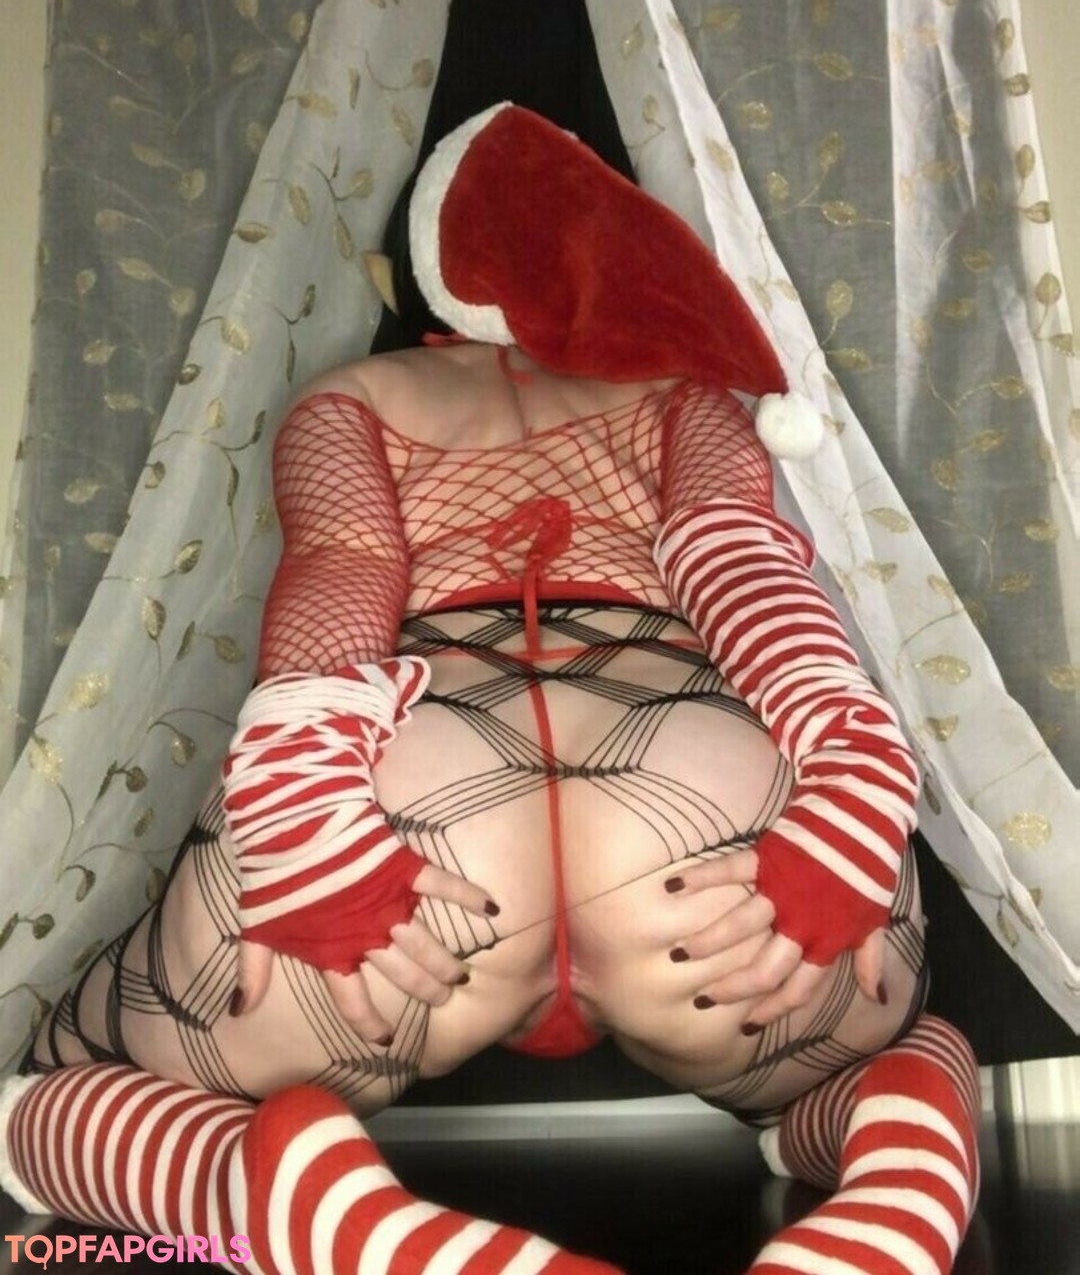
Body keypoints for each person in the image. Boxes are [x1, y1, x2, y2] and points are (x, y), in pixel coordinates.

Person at [0, 106, 979, 1275]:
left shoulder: (356, 395)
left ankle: (268, 1192)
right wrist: (852, 781)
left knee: (60, 1078)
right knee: (888, 1055)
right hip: (706, 809)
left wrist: (307, 816)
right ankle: (902, 1152)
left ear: (409, 279)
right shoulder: (684, 393)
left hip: (422, 801)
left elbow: (342, 578)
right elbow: (745, 570)